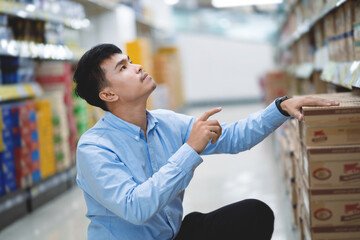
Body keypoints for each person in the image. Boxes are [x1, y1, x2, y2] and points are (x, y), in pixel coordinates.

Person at [73, 43, 339, 240]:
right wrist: (190, 149)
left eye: (129, 61)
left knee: (254, 214)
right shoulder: (94, 147)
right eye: (123, 68)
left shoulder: (166, 123)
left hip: (172, 235)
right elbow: (135, 208)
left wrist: (281, 108)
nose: (137, 67)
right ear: (107, 93)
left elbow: (234, 137)